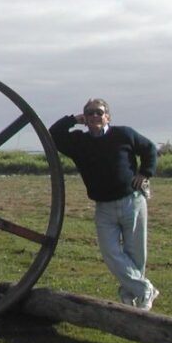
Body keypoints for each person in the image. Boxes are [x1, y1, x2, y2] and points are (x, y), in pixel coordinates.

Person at [49, 98, 159, 310]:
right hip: (104, 207)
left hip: (131, 201)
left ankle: (130, 295)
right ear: (85, 118)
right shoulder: (78, 142)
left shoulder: (124, 134)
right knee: (110, 253)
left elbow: (149, 149)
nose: (95, 117)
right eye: (89, 113)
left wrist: (145, 173)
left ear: (108, 116)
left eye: (99, 113)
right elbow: (53, 134)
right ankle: (146, 290)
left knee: (135, 254)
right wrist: (73, 119)